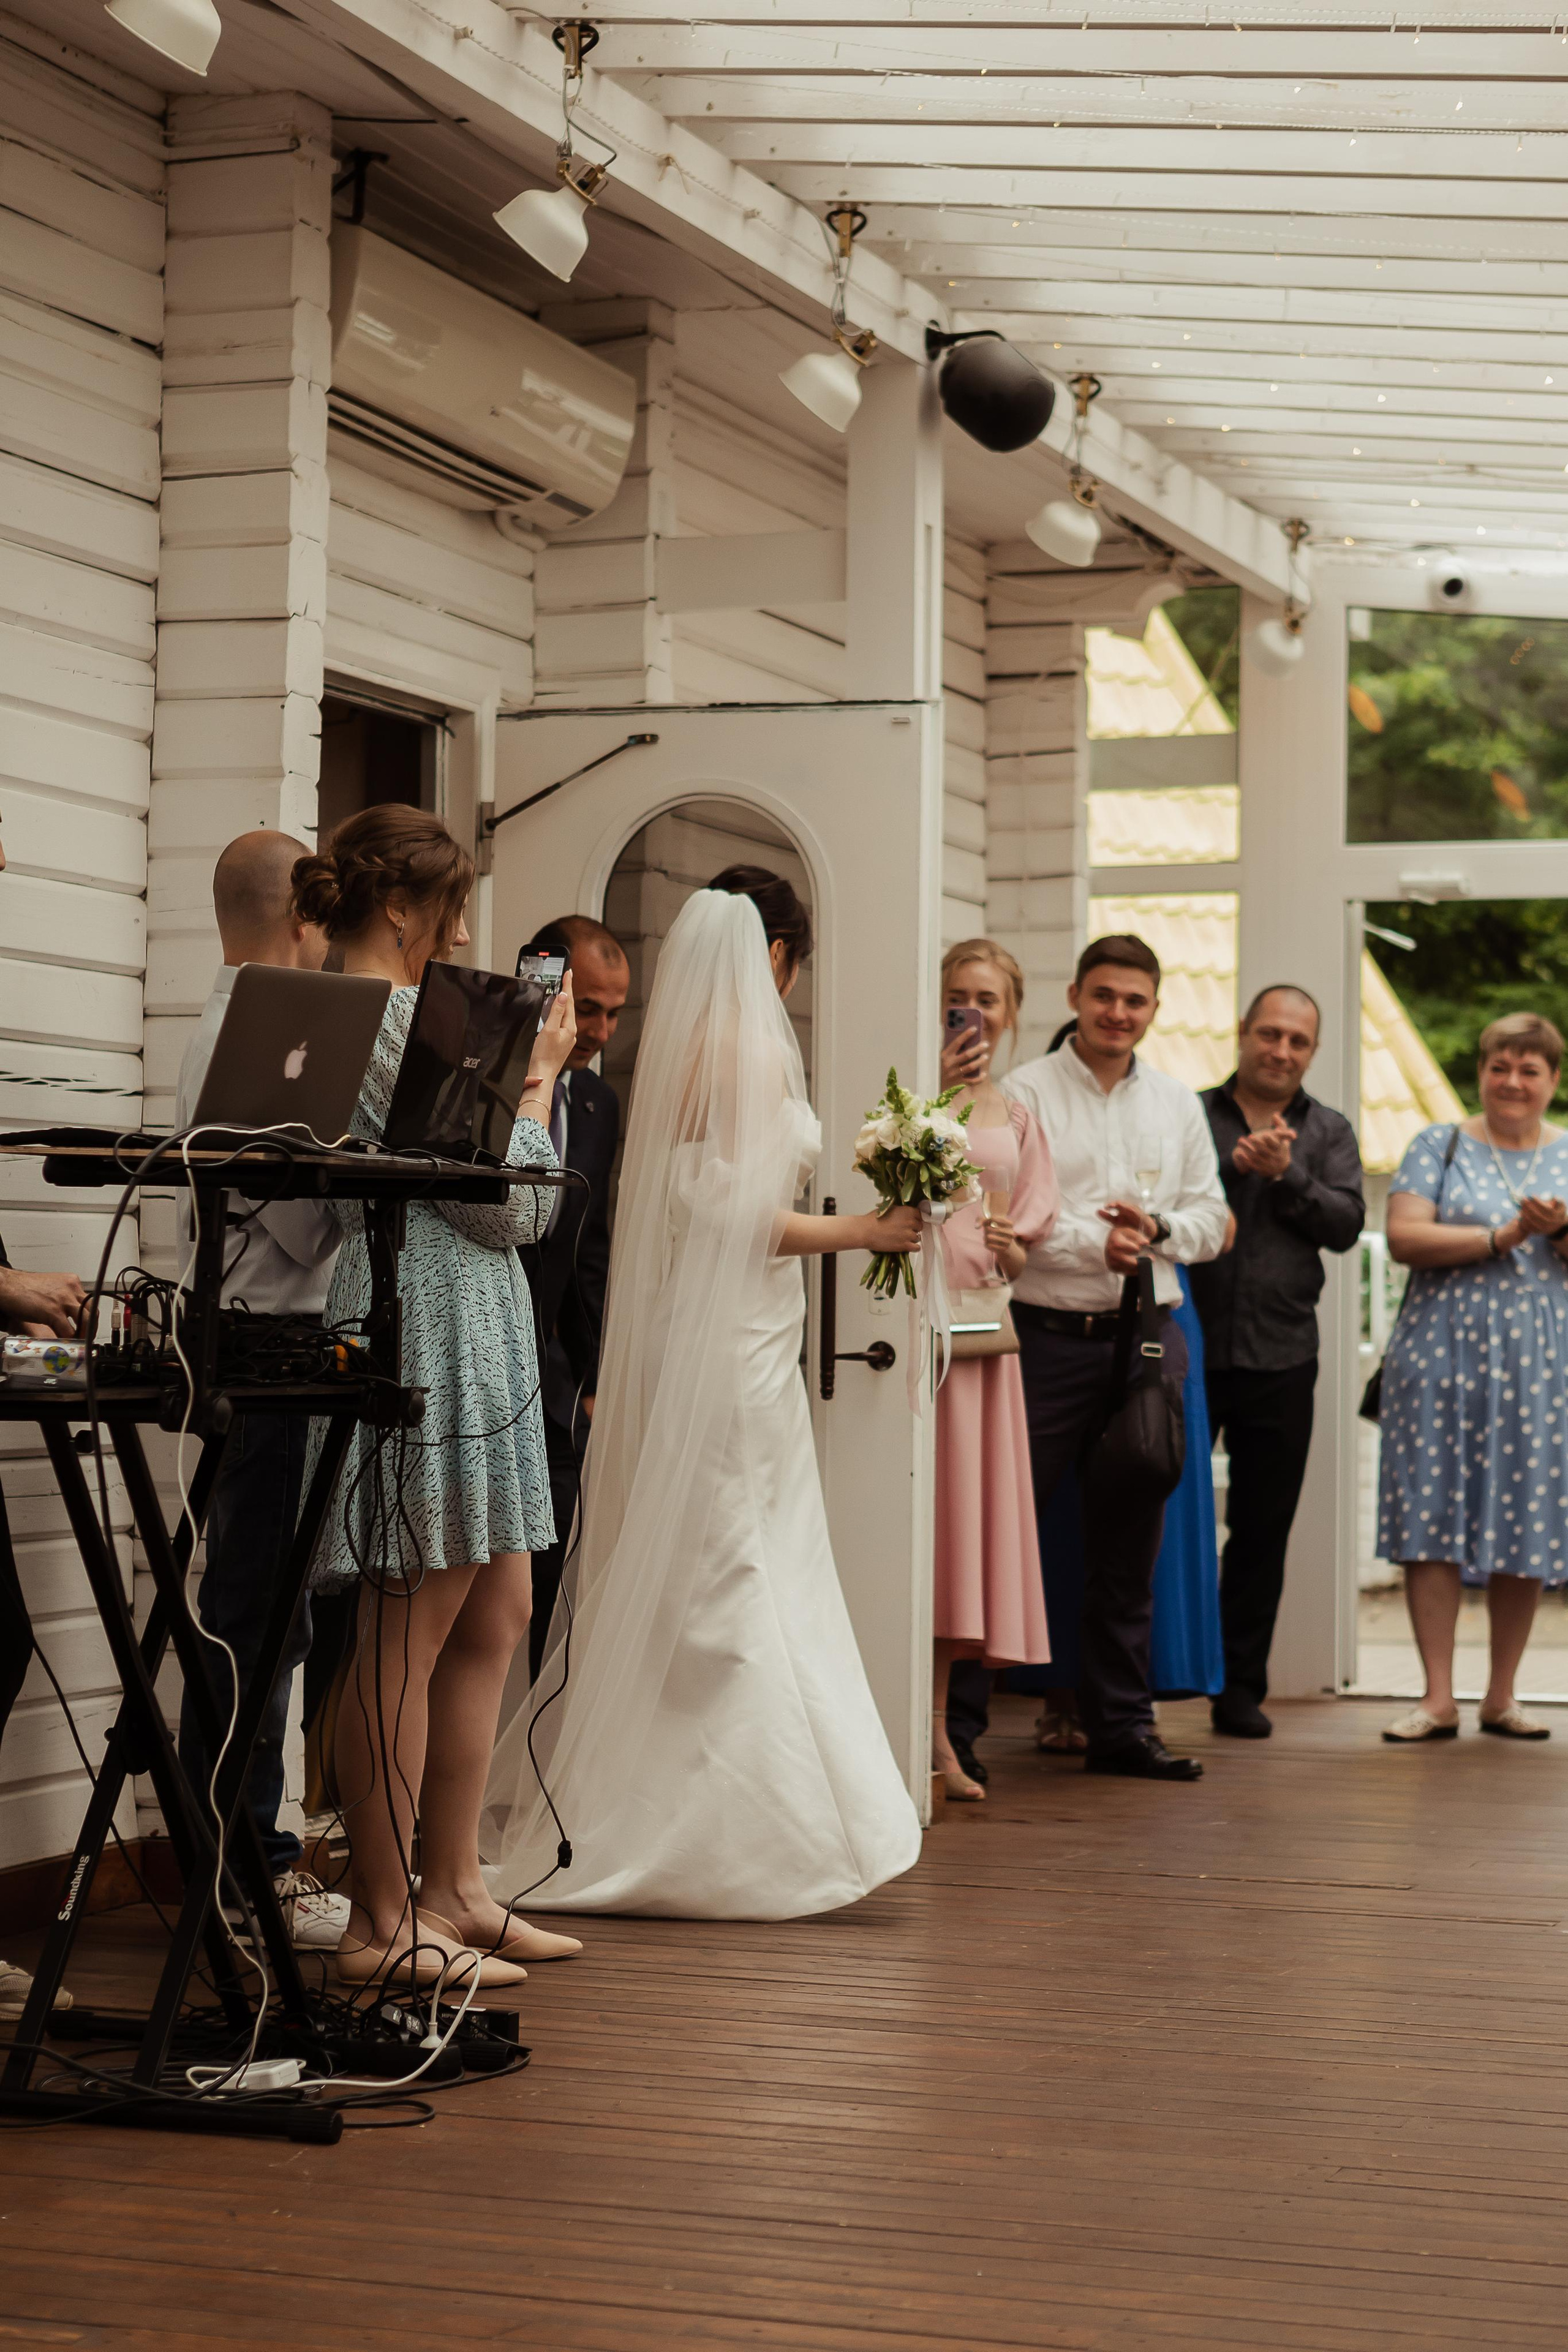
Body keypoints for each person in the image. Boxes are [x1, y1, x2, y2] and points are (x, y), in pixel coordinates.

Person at [481, 869, 925, 1918]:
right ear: (777, 958)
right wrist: (869, 1231)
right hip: (741, 1340)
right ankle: (743, 1827)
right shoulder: (758, 1052)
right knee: (738, 1556)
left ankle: (691, 1795)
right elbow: (740, 1217)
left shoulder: (679, 1056)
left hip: (729, 1332)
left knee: (725, 1554)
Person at [292, 805, 582, 1988]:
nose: (462, 929)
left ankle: (454, 1886)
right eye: (455, 906)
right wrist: (544, 1079)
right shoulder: (404, 1018)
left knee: (492, 1609)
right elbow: (510, 1209)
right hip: (432, 1317)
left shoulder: (341, 1010)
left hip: (459, 1314)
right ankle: (378, 1920)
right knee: (406, 1625)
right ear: (408, 908)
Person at [957, 935, 1228, 1784]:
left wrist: (1154, 1236)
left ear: (1154, 1009)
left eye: (1136, 1001)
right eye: (1105, 995)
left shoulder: (1179, 1105)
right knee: (1000, 1535)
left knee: (1129, 1546)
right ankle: (954, 1732)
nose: (1119, 1013)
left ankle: (1121, 1728)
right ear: (1075, 994)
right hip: (1043, 1338)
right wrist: (1096, 1245)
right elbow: (1016, 1221)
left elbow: (1213, 1220)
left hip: (1149, 1343)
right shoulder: (1025, 1094)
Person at [172, 830, 349, 1953]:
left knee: (263, 1613)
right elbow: (296, 1216)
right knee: (258, 1621)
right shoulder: (269, 1034)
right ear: (302, 918)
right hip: (268, 1343)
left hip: (260, 1340)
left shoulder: (227, 1017)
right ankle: (246, 1871)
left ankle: (238, 1858)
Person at [1378, 1011, 1568, 1745]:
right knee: (1431, 1518)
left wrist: (1557, 1231)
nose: (1512, 1081)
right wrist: (1505, 1235)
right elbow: (1403, 1236)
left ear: (1552, 1080)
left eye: (1529, 1069)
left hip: (1537, 1366)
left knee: (1523, 1518)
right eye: (1500, 1065)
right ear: (1481, 1070)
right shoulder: (1440, 1143)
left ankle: (1501, 1696)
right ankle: (1435, 1698)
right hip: (1437, 1357)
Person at [1189, 986, 1365, 1738]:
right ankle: (1140, 1683)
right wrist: (1235, 1167)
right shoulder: (1190, 1114)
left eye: (1297, 1041)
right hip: (1186, 1351)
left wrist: (1286, 1174)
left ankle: (1237, 1690)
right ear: (1241, 1034)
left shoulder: (1328, 1130)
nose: (1281, 1050)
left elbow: (1347, 1224)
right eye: (1269, 1034)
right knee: (1161, 1523)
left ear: (1311, 1051)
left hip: (1284, 1356)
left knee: (1261, 1532)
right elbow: (1172, 1202)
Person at [933, 940, 1057, 1801]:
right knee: (919, 1529)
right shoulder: (906, 1090)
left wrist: (1013, 1252)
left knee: (962, 1538)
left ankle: (939, 1733)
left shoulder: (1016, 1117)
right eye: (957, 997)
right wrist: (934, 1084)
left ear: (1011, 1015)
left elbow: (1020, 1252)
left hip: (982, 1338)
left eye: (988, 999)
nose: (973, 1011)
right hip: (910, 1331)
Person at [514, 916, 627, 1683]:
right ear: (545, 980)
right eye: (589, 1007)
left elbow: (588, 1251)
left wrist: (593, 1378)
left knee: (548, 1581)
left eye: (616, 1012)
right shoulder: (490, 1074)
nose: (599, 1030)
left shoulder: (596, 1105)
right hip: (474, 1357)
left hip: (556, 1378)